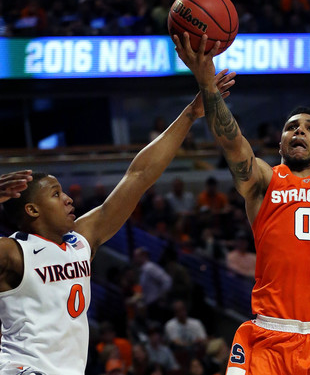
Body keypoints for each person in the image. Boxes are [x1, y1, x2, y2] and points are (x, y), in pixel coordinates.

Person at [173, 33, 310, 374]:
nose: (300, 132)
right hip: (268, 335)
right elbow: (233, 143)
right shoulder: (264, 179)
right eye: (292, 128)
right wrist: (207, 85)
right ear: (280, 143)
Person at [0, 70, 235, 375]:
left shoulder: (81, 241)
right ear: (32, 210)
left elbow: (138, 177)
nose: (69, 199)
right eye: (56, 195)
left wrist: (190, 114)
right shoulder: (12, 252)